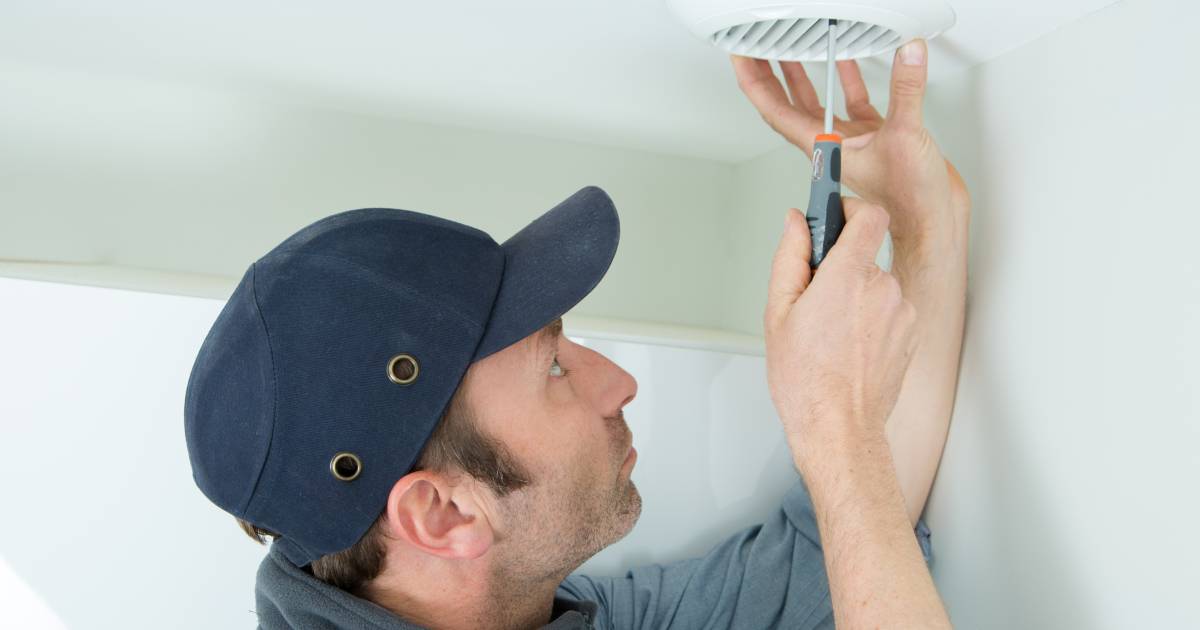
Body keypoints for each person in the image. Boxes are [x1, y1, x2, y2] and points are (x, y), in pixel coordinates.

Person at [184, 38, 969, 629]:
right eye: (552, 366)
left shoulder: (537, 605)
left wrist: (923, 218)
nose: (617, 383)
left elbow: (836, 555)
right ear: (443, 516)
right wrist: (833, 426)